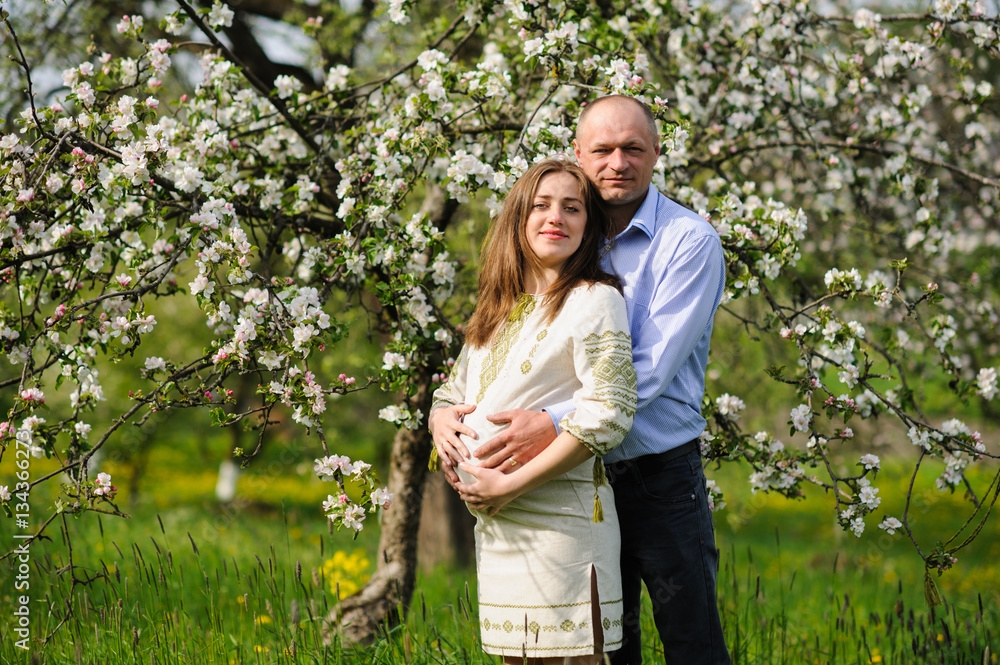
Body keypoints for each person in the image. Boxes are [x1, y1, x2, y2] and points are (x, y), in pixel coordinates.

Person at [431, 96, 731, 665]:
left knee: (690, 640)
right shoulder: (565, 243)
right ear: (579, 153)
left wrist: (549, 424)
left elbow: (645, 374)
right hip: (567, 480)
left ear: (656, 152)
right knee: (610, 646)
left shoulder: (688, 242)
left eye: (633, 148)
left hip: (655, 473)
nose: (618, 162)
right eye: (603, 149)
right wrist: (445, 415)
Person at [429, 158, 638, 664]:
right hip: (499, 530)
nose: (555, 217)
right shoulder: (497, 307)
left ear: (588, 225)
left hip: (561, 524)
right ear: (518, 217)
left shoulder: (596, 299)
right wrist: (439, 418)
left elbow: (610, 414)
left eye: (572, 208)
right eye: (541, 205)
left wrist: (509, 485)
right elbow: (452, 391)